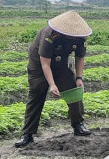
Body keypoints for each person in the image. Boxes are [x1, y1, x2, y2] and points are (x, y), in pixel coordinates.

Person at [15, 10, 93, 148]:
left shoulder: (80, 38)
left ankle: (78, 125)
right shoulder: (49, 35)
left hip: (61, 63)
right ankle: (27, 134)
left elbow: (80, 58)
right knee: (37, 93)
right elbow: (45, 64)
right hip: (39, 66)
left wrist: (79, 77)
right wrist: (52, 85)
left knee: (73, 90)